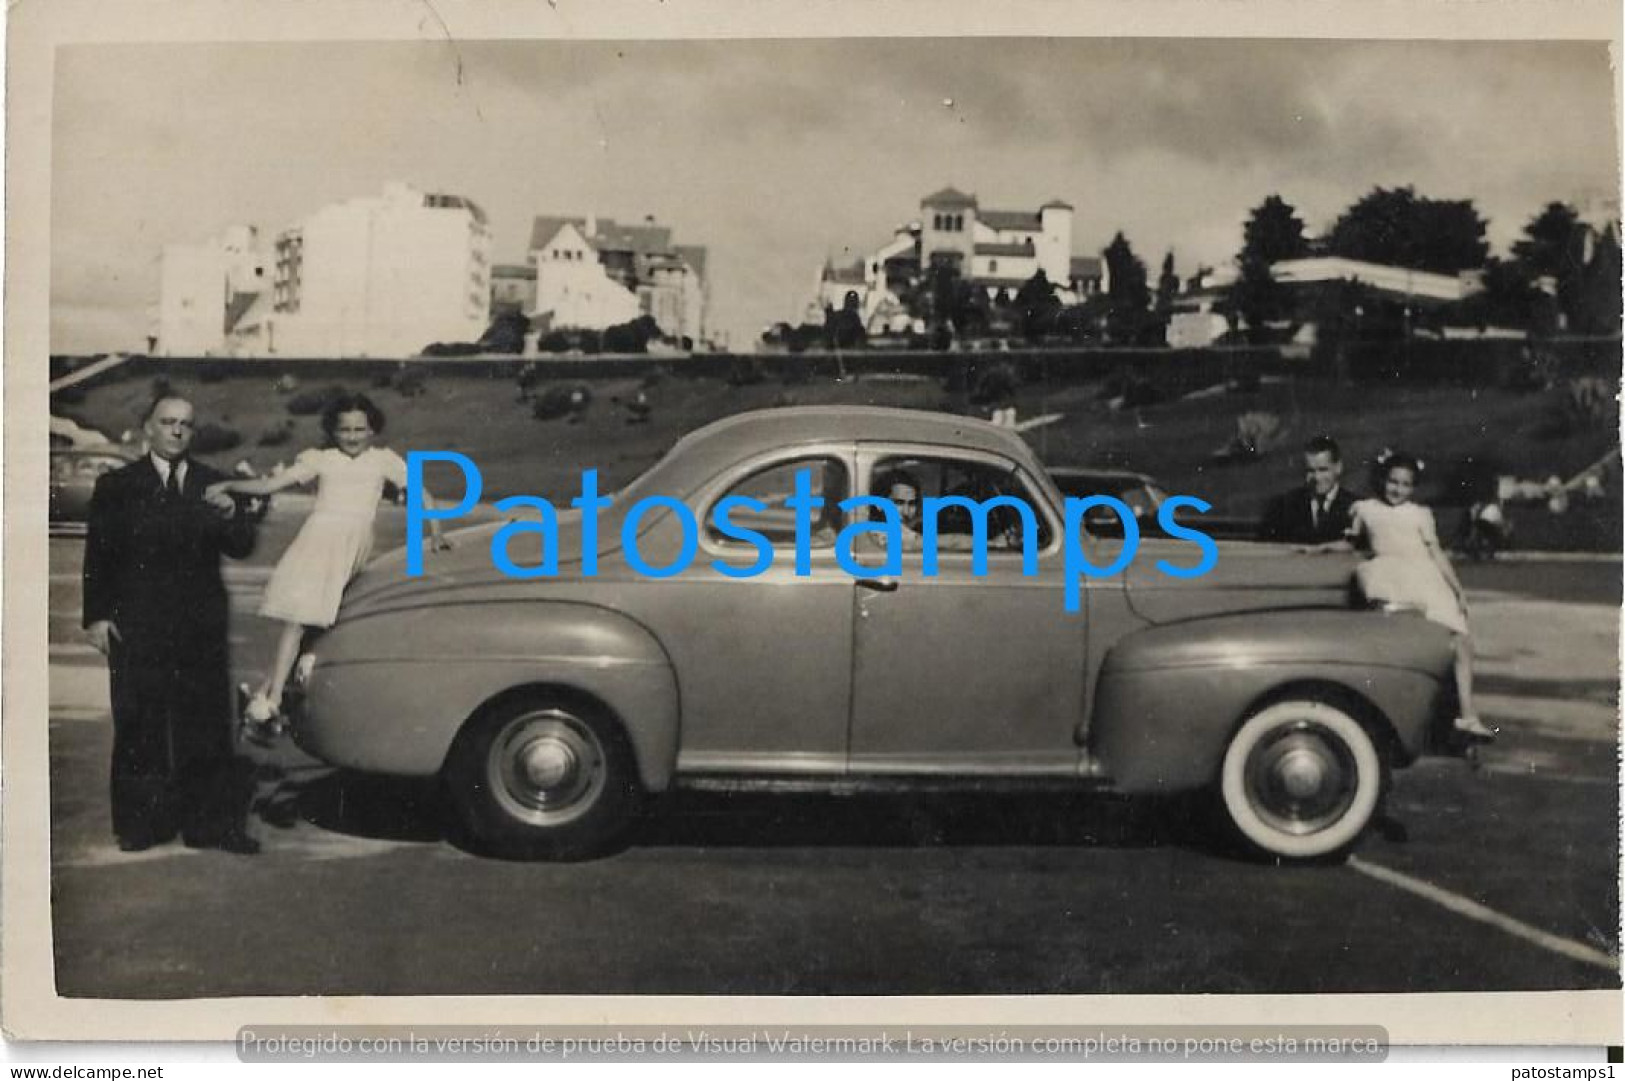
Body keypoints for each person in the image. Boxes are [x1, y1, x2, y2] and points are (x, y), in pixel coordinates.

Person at [207, 392, 451, 739]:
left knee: (319, 623)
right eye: (344, 429)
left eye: (359, 429)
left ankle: (262, 697)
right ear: (333, 431)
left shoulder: (383, 461)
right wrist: (231, 484)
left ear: (372, 429)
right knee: (301, 620)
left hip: (353, 545)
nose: (352, 436)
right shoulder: (321, 460)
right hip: (320, 541)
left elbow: (422, 494)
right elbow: (270, 485)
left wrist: (437, 531)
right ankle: (272, 698)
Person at [82, 394, 261, 854]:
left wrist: (233, 514)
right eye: (168, 422)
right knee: (138, 723)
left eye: (186, 424)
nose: (178, 431)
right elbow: (99, 556)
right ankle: (142, 825)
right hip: (136, 624)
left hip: (200, 627)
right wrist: (97, 616)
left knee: (204, 723)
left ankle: (210, 826)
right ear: (148, 429)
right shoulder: (117, 485)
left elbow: (240, 546)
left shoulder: (211, 483)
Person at [1310, 450, 1495, 742]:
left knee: (1460, 640)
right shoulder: (1366, 509)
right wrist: (1322, 548)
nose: (1397, 489)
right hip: (1390, 577)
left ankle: (1467, 715)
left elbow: (1435, 552)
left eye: (1405, 484)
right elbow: (1350, 543)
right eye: (1393, 482)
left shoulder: (1420, 514)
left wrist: (1456, 588)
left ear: (1413, 487)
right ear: (1383, 479)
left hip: (1426, 579)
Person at [1260, 435, 1358, 545]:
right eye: (1310, 471)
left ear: (1338, 468)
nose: (1317, 477)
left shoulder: (1357, 507)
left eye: (1323, 470)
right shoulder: (1283, 506)